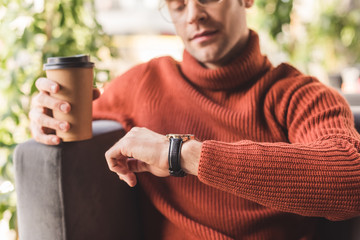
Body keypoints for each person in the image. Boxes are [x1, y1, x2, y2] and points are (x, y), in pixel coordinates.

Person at [29, 0, 360, 239]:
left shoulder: (301, 95)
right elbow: (70, 122)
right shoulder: (145, 83)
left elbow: (351, 179)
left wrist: (182, 154)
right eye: (177, 4)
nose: (193, 15)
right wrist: (47, 115)